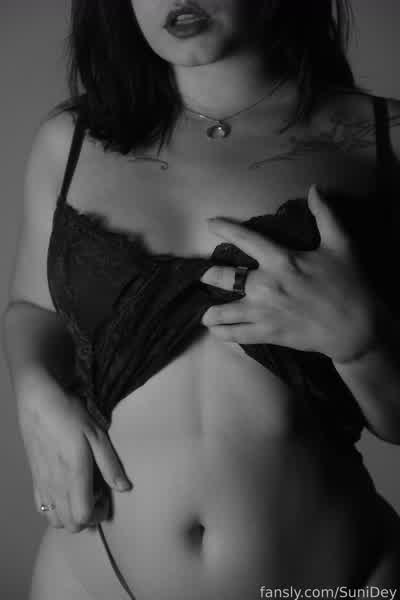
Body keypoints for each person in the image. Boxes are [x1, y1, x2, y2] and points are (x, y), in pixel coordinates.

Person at [3, 0, 400, 598]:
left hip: (335, 579)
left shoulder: (384, 140)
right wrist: (36, 393)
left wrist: (363, 343)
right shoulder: (70, 141)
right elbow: (32, 309)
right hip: (90, 580)